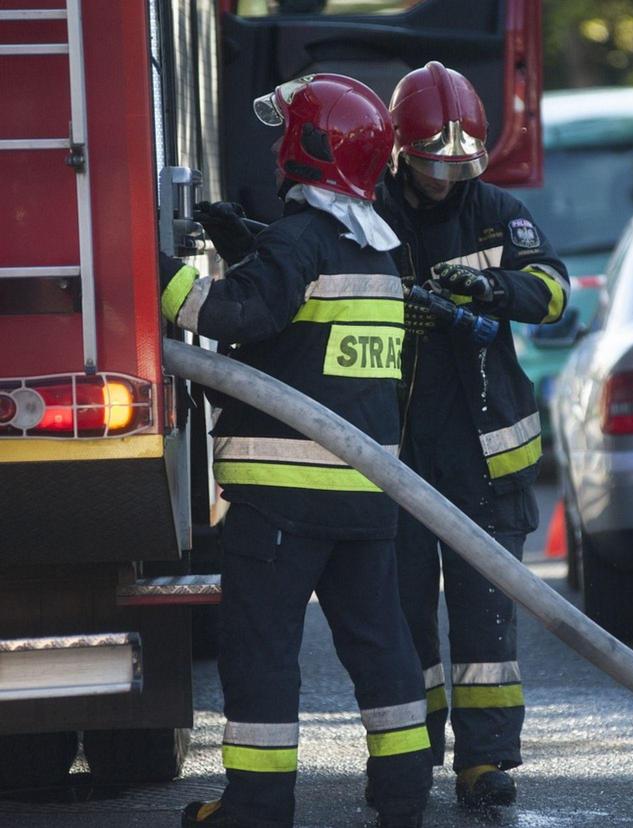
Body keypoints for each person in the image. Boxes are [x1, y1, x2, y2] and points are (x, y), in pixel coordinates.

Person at [159, 74, 433, 828]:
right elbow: (311, 338)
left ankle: (255, 806)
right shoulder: (376, 251)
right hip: (366, 497)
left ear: (309, 147)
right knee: (382, 647)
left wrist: (152, 273)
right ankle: (405, 793)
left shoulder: (302, 239)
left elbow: (235, 314)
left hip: (282, 501)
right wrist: (254, 245)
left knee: (261, 652)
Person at [373, 61, 569, 808]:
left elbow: (551, 287)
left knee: (486, 624)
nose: (446, 178)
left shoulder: (497, 213)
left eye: (458, 164)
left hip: (486, 459)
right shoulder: (371, 216)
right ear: (400, 150)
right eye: (432, 164)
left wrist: (497, 288)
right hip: (397, 457)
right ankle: (407, 766)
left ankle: (484, 766)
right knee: (404, 621)